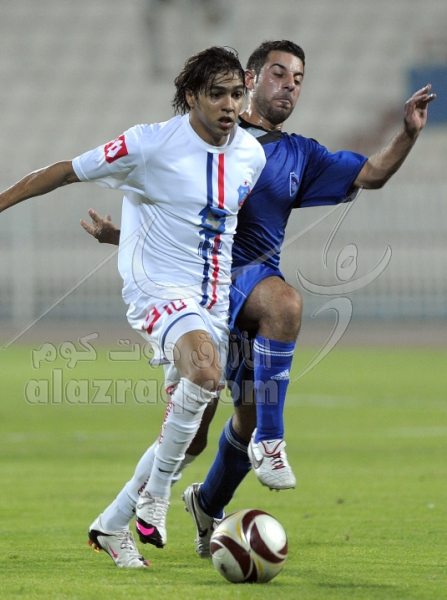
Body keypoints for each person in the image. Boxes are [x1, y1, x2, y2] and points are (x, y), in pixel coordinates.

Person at [83, 40, 435, 560]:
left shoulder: (301, 154)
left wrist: (407, 133)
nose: (289, 85)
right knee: (198, 429)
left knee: (243, 420)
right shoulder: (210, 135)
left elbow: (372, 174)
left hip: (250, 290)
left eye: (298, 78)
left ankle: (204, 502)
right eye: (278, 73)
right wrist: (125, 237)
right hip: (205, 292)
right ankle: (260, 448)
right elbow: (175, 209)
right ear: (250, 79)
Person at [0, 46, 267, 567]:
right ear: (192, 96)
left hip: (211, 302)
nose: (230, 105)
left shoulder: (250, 156)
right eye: (217, 94)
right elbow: (64, 171)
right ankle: (156, 497)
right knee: (207, 372)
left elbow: (200, 226)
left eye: (237, 94)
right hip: (157, 290)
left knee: (192, 437)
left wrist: (121, 235)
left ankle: (111, 524)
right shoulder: (149, 144)